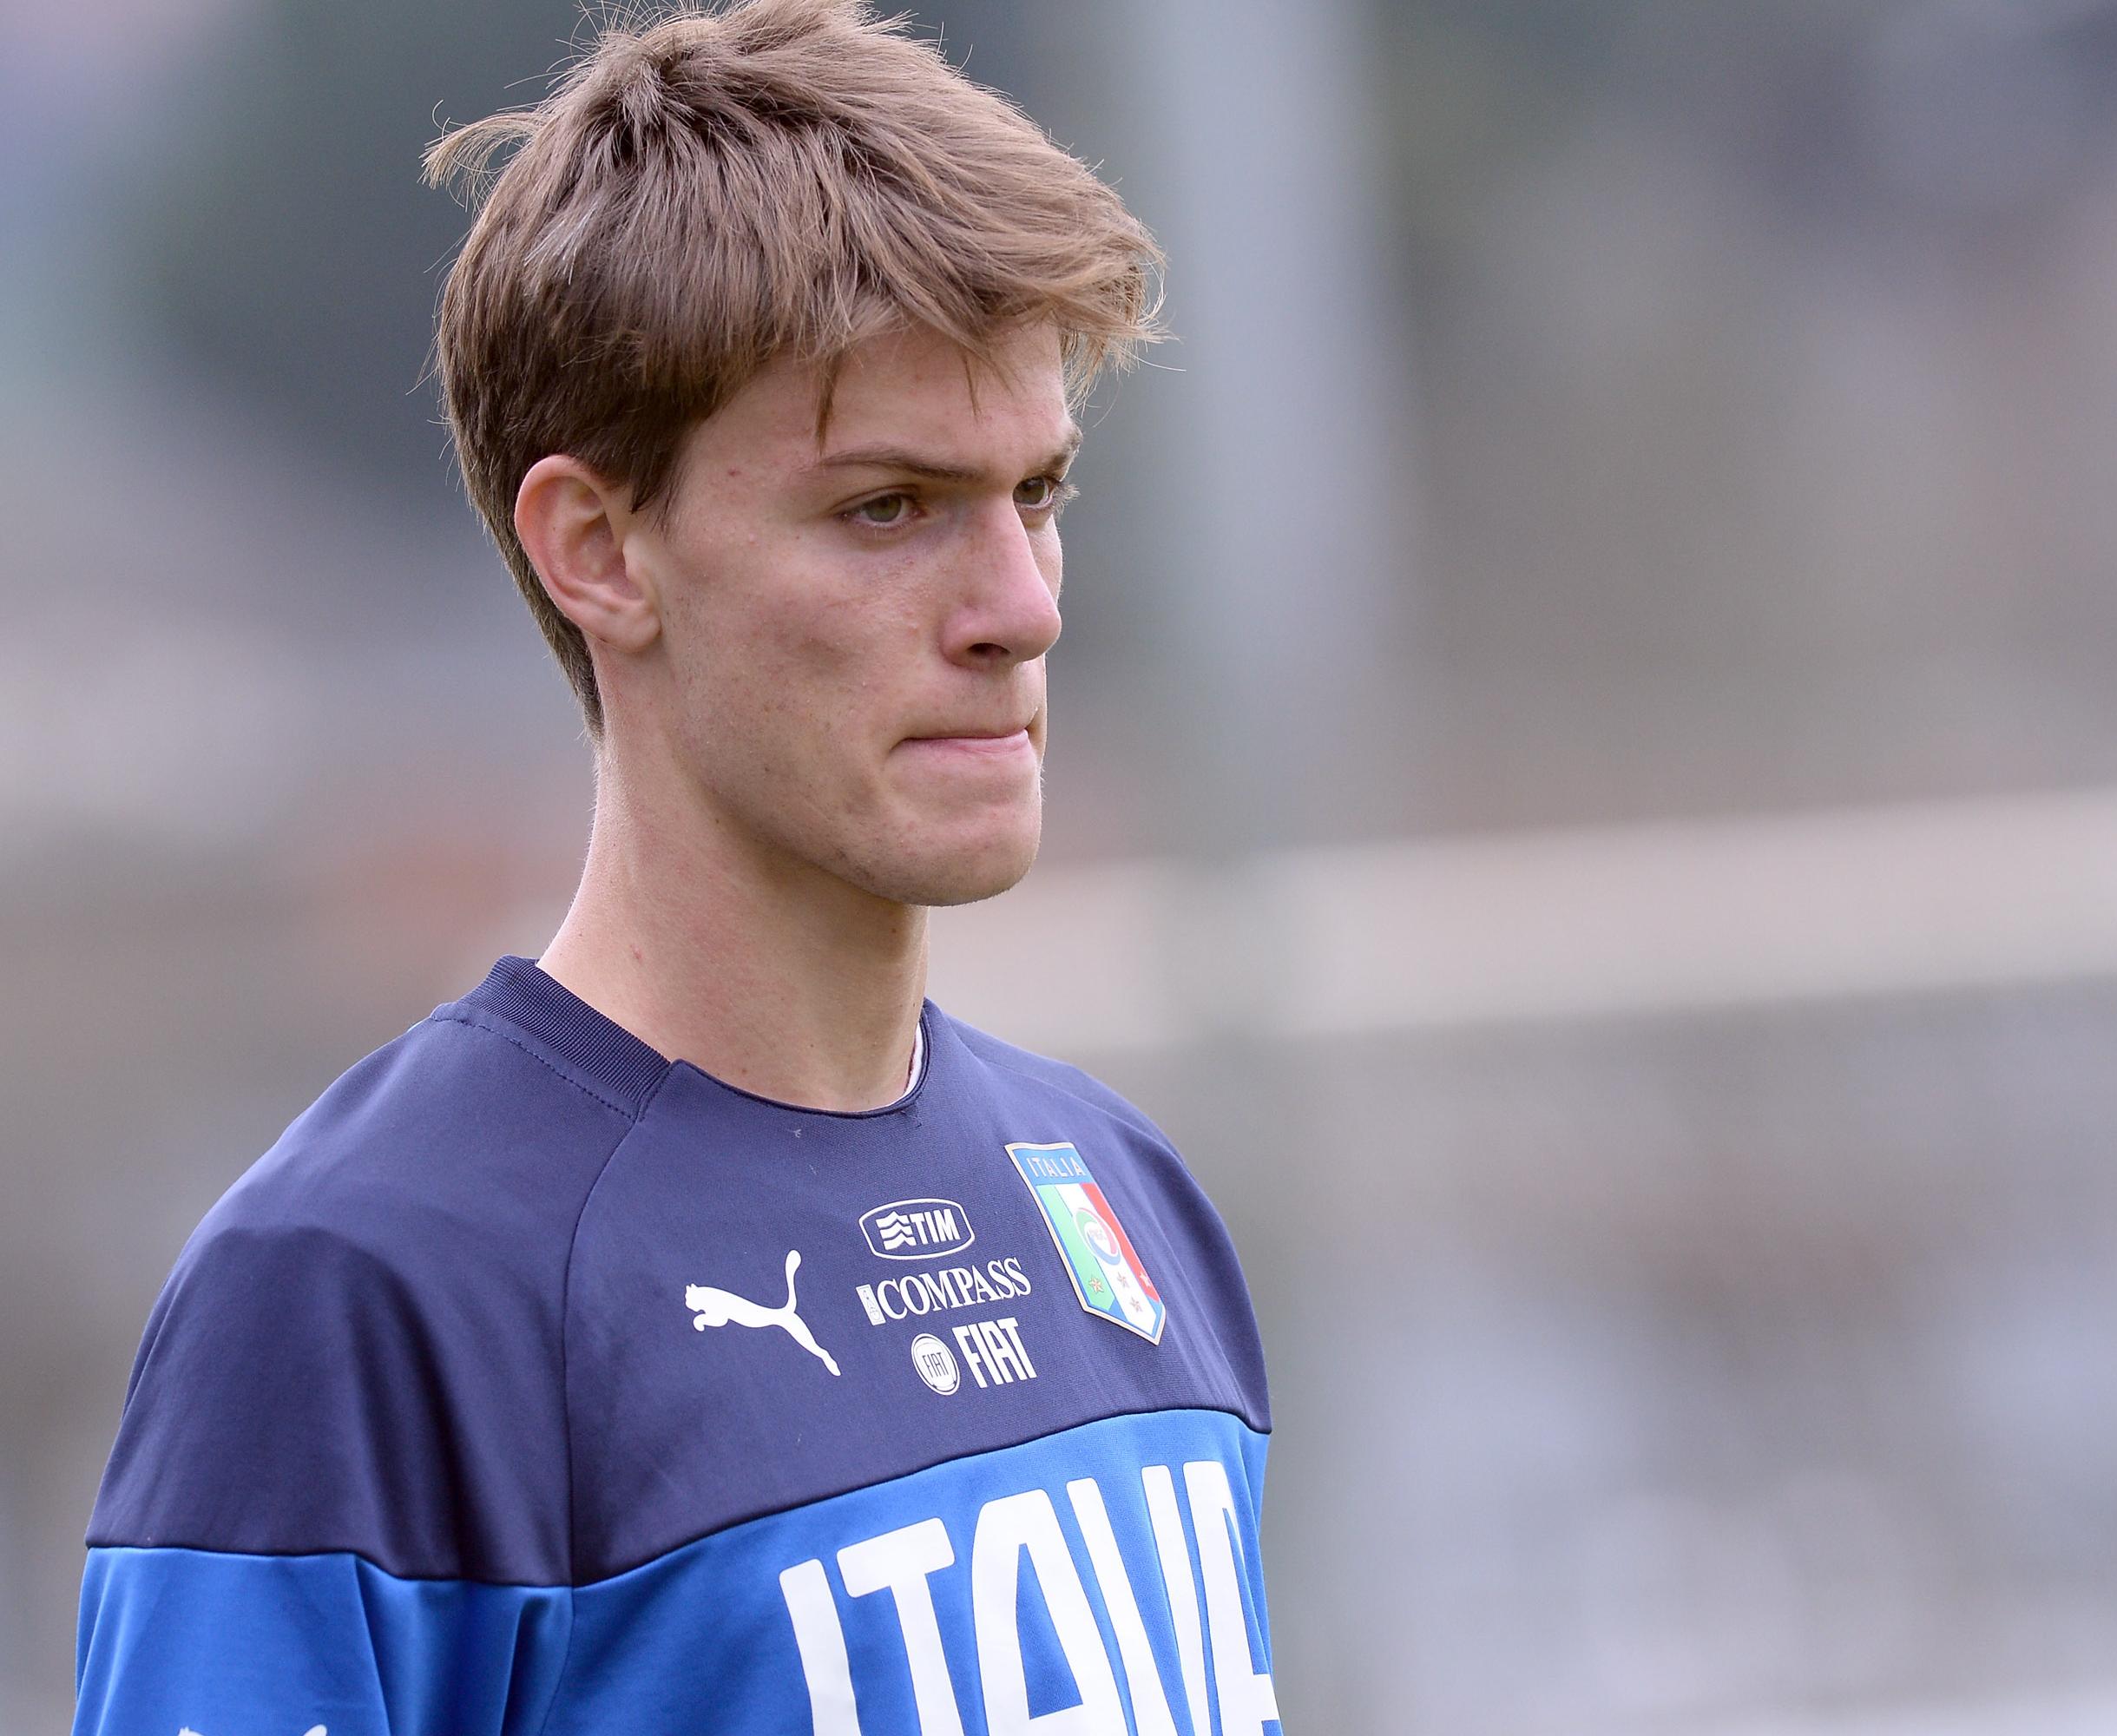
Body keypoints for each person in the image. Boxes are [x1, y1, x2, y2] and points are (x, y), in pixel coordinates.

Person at [72, 3, 1280, 1731]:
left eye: (1039, 494)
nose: (1021, 605)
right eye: (890, 507)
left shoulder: (1119, 1200)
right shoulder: (365, 1292)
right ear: (598, 549)